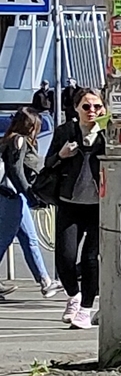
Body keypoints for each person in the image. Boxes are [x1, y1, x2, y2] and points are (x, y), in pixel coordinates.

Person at [43, 87, 107, 328]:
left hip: (99, 205)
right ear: (77, 108)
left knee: (91, 258)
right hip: (70, 203)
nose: (92, 111)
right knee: (65, 258)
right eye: (86, 106)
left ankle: (86, 309)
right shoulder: (66, 131)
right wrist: (61, 154)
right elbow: (48, 164)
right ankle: (74, 295)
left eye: (97, 107)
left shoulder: (108, 132)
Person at [0, 108, 54, 295]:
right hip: (12, 196)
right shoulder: (19, 141)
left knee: (29, 238)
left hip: (14, 196)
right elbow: (16, 172)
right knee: (4, 240)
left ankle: (45, 281)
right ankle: (45, 281)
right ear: (30, 126)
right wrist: (31, 195)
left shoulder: (11, 139)